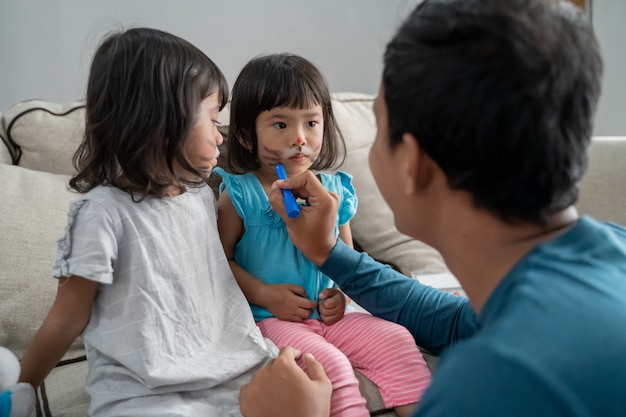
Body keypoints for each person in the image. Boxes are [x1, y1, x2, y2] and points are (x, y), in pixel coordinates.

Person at [240, 0, 626, 416]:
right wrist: (328, 254)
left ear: (412, 164)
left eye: (378, 126)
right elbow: (454, 322)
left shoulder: (485, 387)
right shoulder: (608, 254)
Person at [17, 27, 277, 417]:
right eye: (210, 117)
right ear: (161, 123)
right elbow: (64, 319)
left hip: (234, 367)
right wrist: (21, 389)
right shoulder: (102, 214)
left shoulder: (201, 196)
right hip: (144, 393)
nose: (221, 134)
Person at [214, 53, 432, 417]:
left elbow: (348, 263)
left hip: (331, 316)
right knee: (327, 364)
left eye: (311, 123)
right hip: (271, 319)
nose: (300, 138)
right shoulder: (239, 195)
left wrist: (339, 295)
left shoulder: (335, 191)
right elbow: (220, 263)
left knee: (397, 339)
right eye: (280, 125)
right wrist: (266, 294)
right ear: (244, 134)